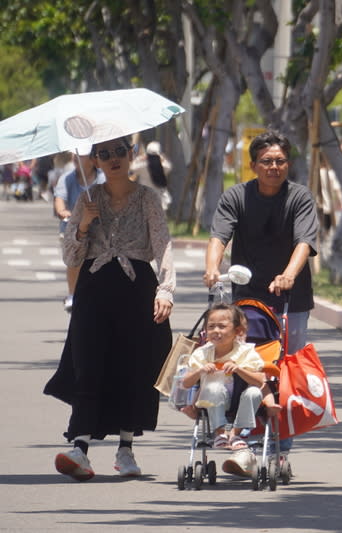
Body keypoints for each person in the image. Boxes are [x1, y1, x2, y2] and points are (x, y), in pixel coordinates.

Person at [44, 135, 175, 481]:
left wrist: (166, 290)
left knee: (133, 367)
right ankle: (80, 448)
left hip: (137, 290)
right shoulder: (88, 198)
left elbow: (162, 245)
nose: (113, 158)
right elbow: (71, 257)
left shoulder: (148, 198)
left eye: (120, 151)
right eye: (104, 153)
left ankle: (126, 449)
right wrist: (83, 223)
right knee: (88, 365)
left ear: (131, 155)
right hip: (94, 290)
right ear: (94, 160)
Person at [204, 129, 319, 460]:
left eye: (280, 161)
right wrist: (212, 268)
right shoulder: (236, 196)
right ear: (253, 164)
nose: (274, 167)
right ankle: (243, 435)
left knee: (283, 370)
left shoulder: (299, 198)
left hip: (289, 300)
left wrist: (288, 275)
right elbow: (219, 236)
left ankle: (280, 445)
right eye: (267, 161)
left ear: (288, 164)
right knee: (243, 367)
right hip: (246, 302)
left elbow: (304, 242)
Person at [180, 302, 280, 477]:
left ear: (238, 331)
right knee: (213, 386)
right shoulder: (202, 353)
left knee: (254, 392)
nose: (216, 331)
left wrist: (240, 369)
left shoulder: (246, 353)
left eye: (222, 326)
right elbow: (186, 383)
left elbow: (260, 381)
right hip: (213, 399)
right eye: (211, 327)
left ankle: (235, 434)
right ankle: (220, 433)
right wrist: (200, 370)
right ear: (205, 331)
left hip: (241, 397)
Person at [53, 144, 106, 312]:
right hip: (72, 228)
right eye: (74, 155)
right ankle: (72, 294)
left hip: (98, 229)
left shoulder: (103, 178)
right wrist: (62, 211)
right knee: (74, 259)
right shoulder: (66, 179)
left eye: (80, 155)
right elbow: (59, 199)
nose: (76, 158)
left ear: (92, 159)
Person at [129, 140, 172, 211]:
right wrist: (162, 158)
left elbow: (132, 167)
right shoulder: (163, 167)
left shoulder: (143, 166)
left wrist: (139, 158)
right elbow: (169, 166)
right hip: (159, 199)